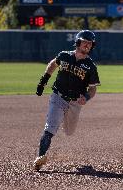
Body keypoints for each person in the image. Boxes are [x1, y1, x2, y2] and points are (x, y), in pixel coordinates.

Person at [33, 30, 101, 171]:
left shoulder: (91, 67)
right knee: (49, 129)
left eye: (90, 43)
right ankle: (40, 158)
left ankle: (62, 119)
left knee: (69, 131)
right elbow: (53, 64)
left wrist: (86, 97)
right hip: (58, 97)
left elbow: (93, 89)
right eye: (85, 42)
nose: (87, 45)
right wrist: (42, 82)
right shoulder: (64, 55)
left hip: (75, 103)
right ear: (77, 42)